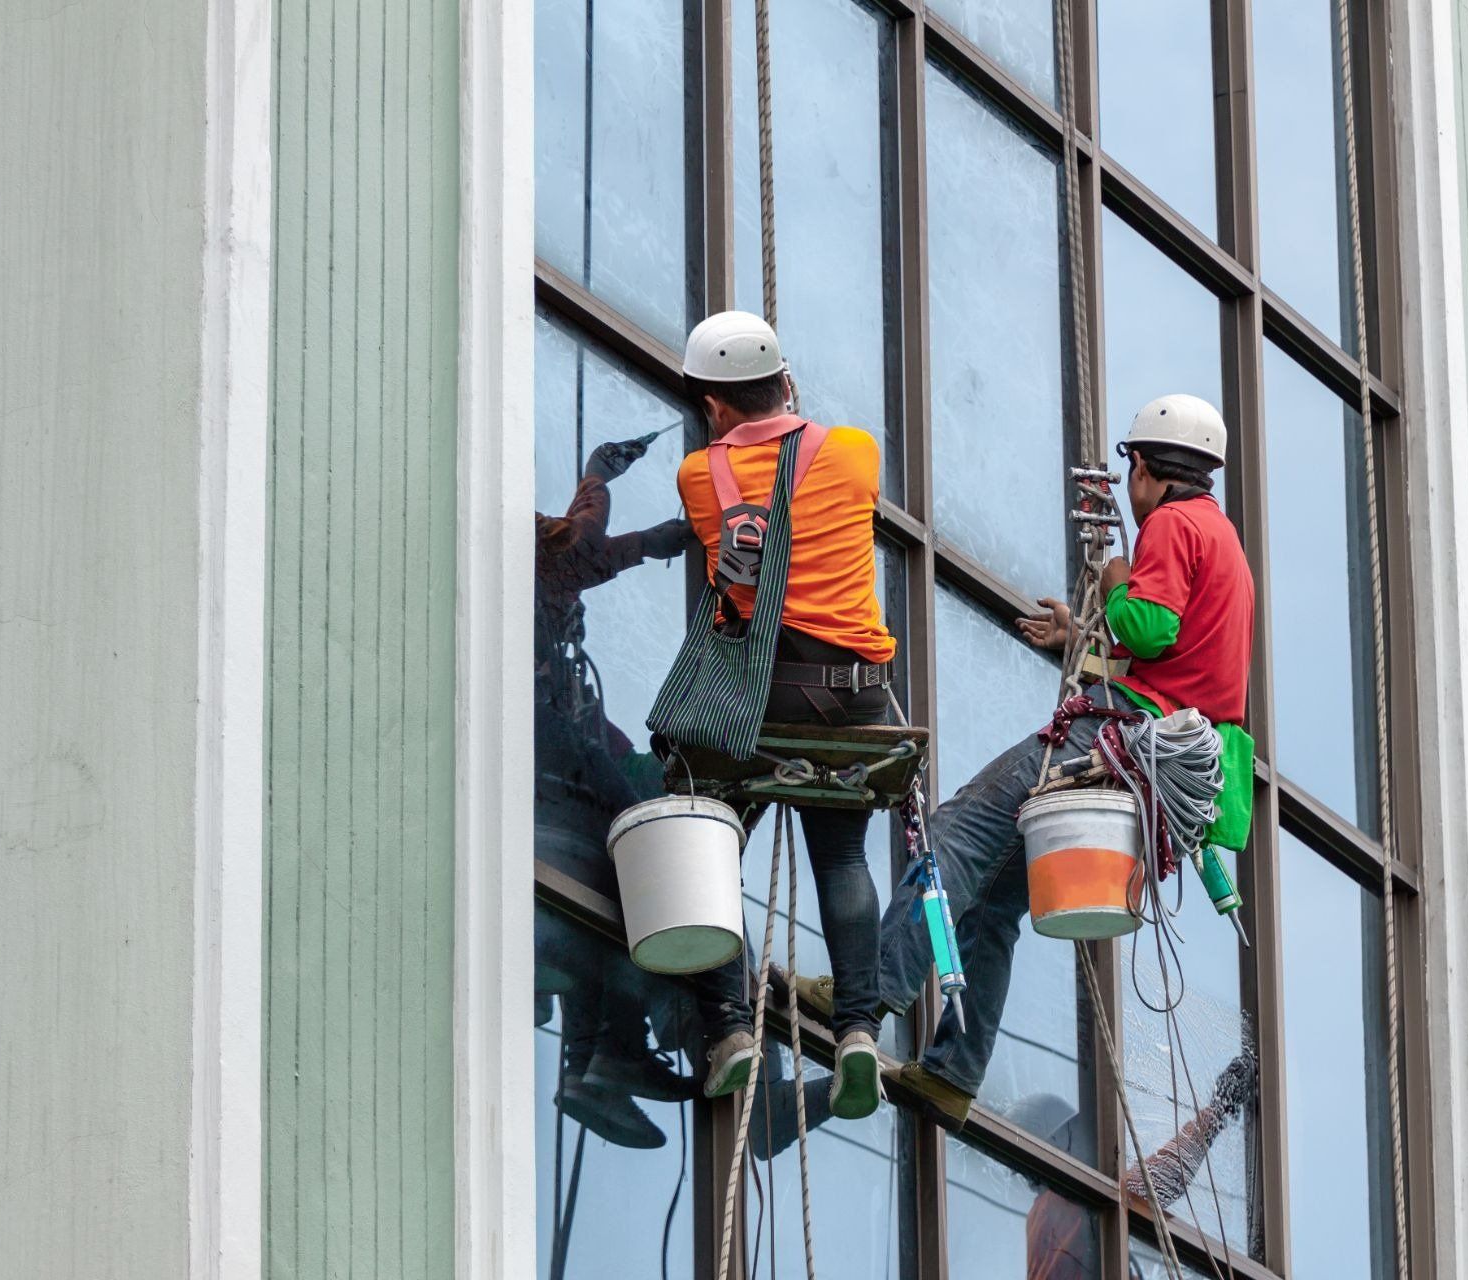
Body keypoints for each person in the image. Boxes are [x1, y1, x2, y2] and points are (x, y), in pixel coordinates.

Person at [804, 394, 1256, 1122]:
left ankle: (872, 992)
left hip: (1119, 739)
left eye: (1131, 471)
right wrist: (1083, 630)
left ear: (1141, 467)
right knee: (994, 901)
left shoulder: (1174, 524)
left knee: (956, 831)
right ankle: (954, 1070)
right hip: (1154, 754)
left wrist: (1114, 582)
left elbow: (1150, 625)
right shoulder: (1224, 540)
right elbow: (1183, 659)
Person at [674, 310, 896, 1122]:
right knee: (840, 857)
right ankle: (861, 1032)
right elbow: (827, 489)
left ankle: (731, 1029)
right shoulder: (856, 453)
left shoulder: (701, 477)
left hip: (768, 694)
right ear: (785, 381)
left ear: (713, 406)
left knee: (706, 837)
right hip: (856, 696)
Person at [534, 438, 698, 1147]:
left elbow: (595, 547)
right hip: (541, 750)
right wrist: (601, 473)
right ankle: (621, 1046)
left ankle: (590, 1066)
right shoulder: (529, 561)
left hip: (550, 744)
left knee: (629, 802)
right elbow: (586, 540)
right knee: (637, 838)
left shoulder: (546, 580)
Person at [1012, 1051, 1259, 1279]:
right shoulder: (1067, 1199)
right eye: (1072, 1137)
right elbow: (1159, 1179)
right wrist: (1218, 1111)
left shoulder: (1041, 1221)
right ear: (1056, 1144)